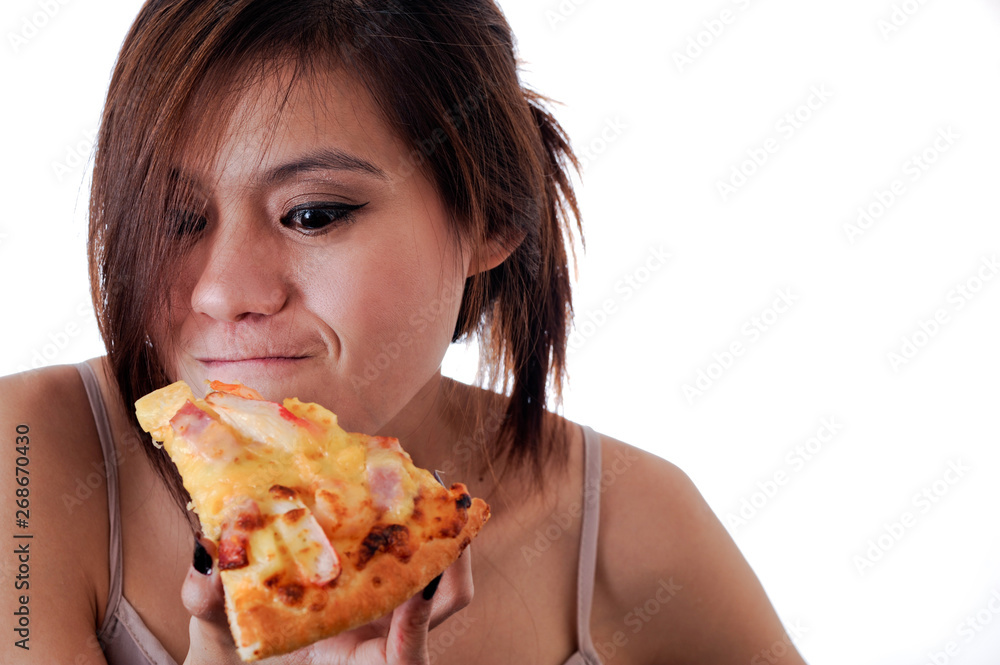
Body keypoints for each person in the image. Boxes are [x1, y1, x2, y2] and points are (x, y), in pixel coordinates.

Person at [0, 1, 807, 663]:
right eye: (178, 218)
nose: (221, 291)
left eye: (312, 215)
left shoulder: (629, 523)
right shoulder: (27, 457)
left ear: (489, 213)